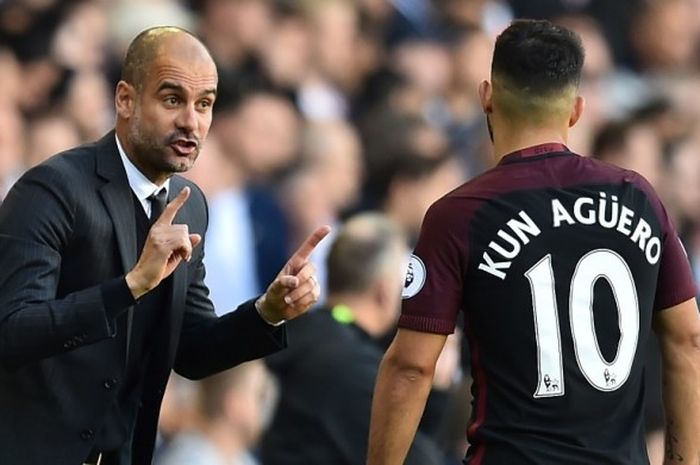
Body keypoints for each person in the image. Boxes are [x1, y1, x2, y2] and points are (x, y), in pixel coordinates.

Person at [367, 19, 700, 465]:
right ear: (577, 110)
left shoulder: (459, 213)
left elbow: (412, 366)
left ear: (486, 96)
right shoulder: (638, 197)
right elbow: (688, 340)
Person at [0, 26, 330, 465]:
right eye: (172, 99)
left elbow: (191, 352)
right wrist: (131, 285)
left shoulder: (191, 209)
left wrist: (266, 311)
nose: (191, 121)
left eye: (205, 104)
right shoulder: (51, 189)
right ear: (125, 100)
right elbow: (12, 331)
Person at [261, 213, 451, 465]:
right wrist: (435, 390)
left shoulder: (292, 331)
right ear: (385, 289)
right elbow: (419, 460)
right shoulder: (355, 368)